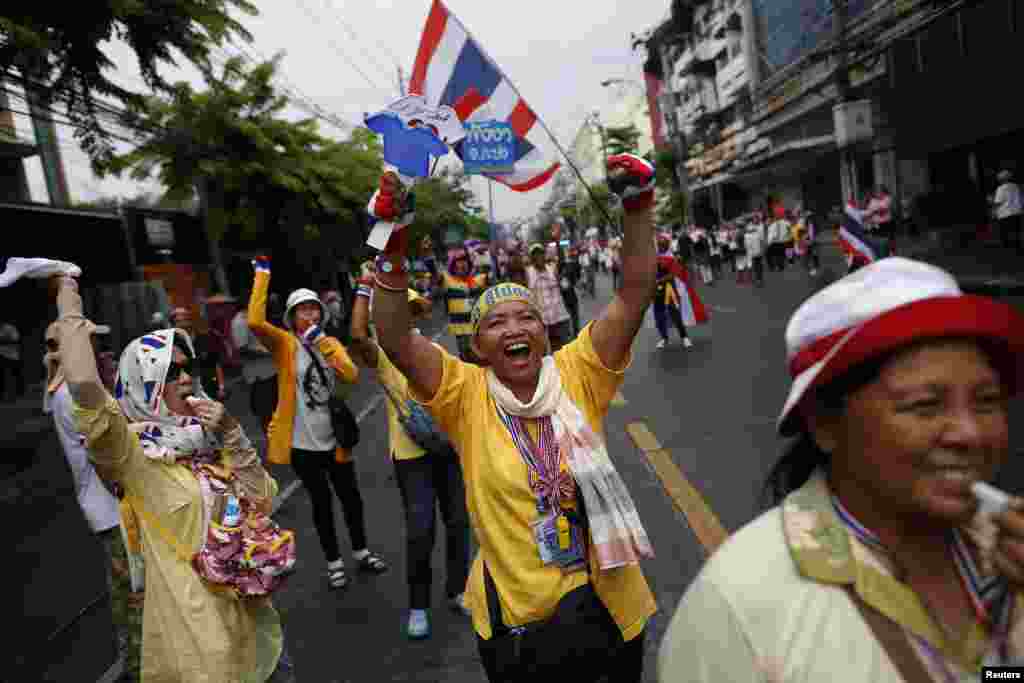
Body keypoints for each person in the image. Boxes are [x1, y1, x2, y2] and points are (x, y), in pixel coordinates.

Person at [658, 257, 1024, 682]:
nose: (970, 433)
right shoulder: (736, 610)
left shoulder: (1009, 553)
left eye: (987, 401)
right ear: (826, 425)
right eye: (925, 405)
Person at [369, 152, 658, 681]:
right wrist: (391, 240)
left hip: (610, 607)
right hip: (522, 628)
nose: (514, 327)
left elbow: (635, 293)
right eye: (496, 322)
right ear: (478, 347)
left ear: (544, 331)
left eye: (526, 316)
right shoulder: (464, 393)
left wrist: (638, 208)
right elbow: (394, 338)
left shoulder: (578, 370)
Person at [51, 274, 295, 682]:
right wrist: (67, 294)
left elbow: (262, 501)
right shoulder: (131, 454)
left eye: (187, 369)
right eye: (170, 372)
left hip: (257, 639)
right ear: (144, 386)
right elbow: (83, 386)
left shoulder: (205, 442)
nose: (186, 379)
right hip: (200, 652)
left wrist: (232, 433)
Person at [247, 257, 388, 590]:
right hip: (301, 443)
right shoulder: (284, 344)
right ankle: (334, 563)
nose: (308, 315)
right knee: (321, 503)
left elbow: (351, 375)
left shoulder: (331, 344)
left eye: (313, 310)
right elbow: (254, 321)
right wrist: (263, 275)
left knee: (351, 499)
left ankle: (361, 552)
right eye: (302, 310)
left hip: (335, 439)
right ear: (292, 317)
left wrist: (321, 342)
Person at [349, 285, 472, 640]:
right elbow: (357, 334)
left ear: (417, 315)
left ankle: (458, 590)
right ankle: (418, 604)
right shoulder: (385, 356)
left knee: (458, 522)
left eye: (409, 311)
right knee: (421, 530)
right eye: (394, 312)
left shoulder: (436, 352)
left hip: (447, 451)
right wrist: (363, 287)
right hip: (410, 455)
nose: (403, 317)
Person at [231, 300, 278, 439]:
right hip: (258, 376)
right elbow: (242, 349)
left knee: (276, 408)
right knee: (265, 412)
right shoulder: (240, 322)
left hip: (270, 371)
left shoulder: (255, 318)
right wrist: (268, 352)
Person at [654, 233, 707, 349]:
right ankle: (663, 338)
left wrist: (658, 280)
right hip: (657, 290)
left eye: (663, 244)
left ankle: (684, 337)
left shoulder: (672, 258)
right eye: (659, 244)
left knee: (674, 313)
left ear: (667, 245)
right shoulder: (654, 256)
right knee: (659, 315)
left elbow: (672, 275)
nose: (661, 246)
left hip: (669, 289)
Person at [443, 246, 490, 363]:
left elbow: (489, 277)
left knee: (483, 362)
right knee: (467, 364)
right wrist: (428, 255)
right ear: (453, 267)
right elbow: (435, 274)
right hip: (461, 333)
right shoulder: (449, 282)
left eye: (464, 262)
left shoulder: (479, 280)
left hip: (478, 330)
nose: (462, 265)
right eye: (458, 262)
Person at [170, 307, 226, 402]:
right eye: (180, 320)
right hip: (190, 393)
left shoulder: (205, 339)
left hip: (211, 388)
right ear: (174, 324)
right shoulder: (173, 345)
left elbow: (215, 363)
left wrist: (221, 386)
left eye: (186, 318)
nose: (184, 321)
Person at [527, 243, 574, 352]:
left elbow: (564, 284)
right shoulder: (528, 273)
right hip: (541, 319)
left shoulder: (553, 269)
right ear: (531, 258)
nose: (538, 257)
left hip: (558, 316)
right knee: (542, 351)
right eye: (535, 255)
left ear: (544, 255)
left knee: (561, 349)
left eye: (540, 254)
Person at [992, 170, 1023, 252]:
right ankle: (1017, 247)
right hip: (1017, 212)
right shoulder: (1016, 186)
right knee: (1016, 232)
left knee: (1005, 233)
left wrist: (993, 211)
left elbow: (998, 202)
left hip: (1005, 213)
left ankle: (1007, 249)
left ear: (1001, 179)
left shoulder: (1001, 188)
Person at [0, 319, 24, 400]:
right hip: (2, 355)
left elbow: (16, 339)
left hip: (13, 355)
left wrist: (3, 340)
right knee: (2, 375)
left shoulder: (10, 328)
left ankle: (20, 391)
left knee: (16, 374)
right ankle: (2, 393)